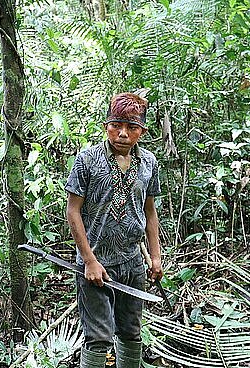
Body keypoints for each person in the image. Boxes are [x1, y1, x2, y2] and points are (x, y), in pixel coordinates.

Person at [65, 92, 163, 368]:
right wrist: (89, 261)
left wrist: (155, 257)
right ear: (106, 126)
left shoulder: (148, 163)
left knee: (131, 332)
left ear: (141, 131)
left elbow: (149, 210)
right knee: (98, 337)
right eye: (115, 126)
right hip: (96, 262)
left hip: (132, 263)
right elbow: (73, 211)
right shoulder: (87, 160)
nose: (122, 134)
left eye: (131, 127)